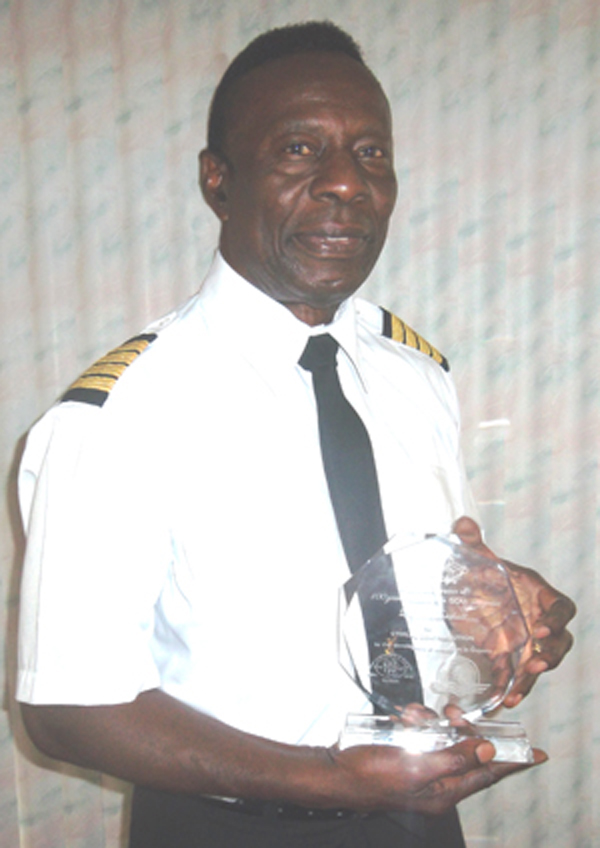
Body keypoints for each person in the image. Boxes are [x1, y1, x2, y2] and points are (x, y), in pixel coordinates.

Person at [17, 21, 575, 848]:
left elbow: (417, 590)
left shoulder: (414, 374)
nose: (346, 184)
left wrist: (501, 617)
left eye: (371, 154)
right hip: (230, 829)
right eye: (300, 151)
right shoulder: (122, 414)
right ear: (219, 181)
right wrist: (328, 780)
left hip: (423, 817)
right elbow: (66, 709)